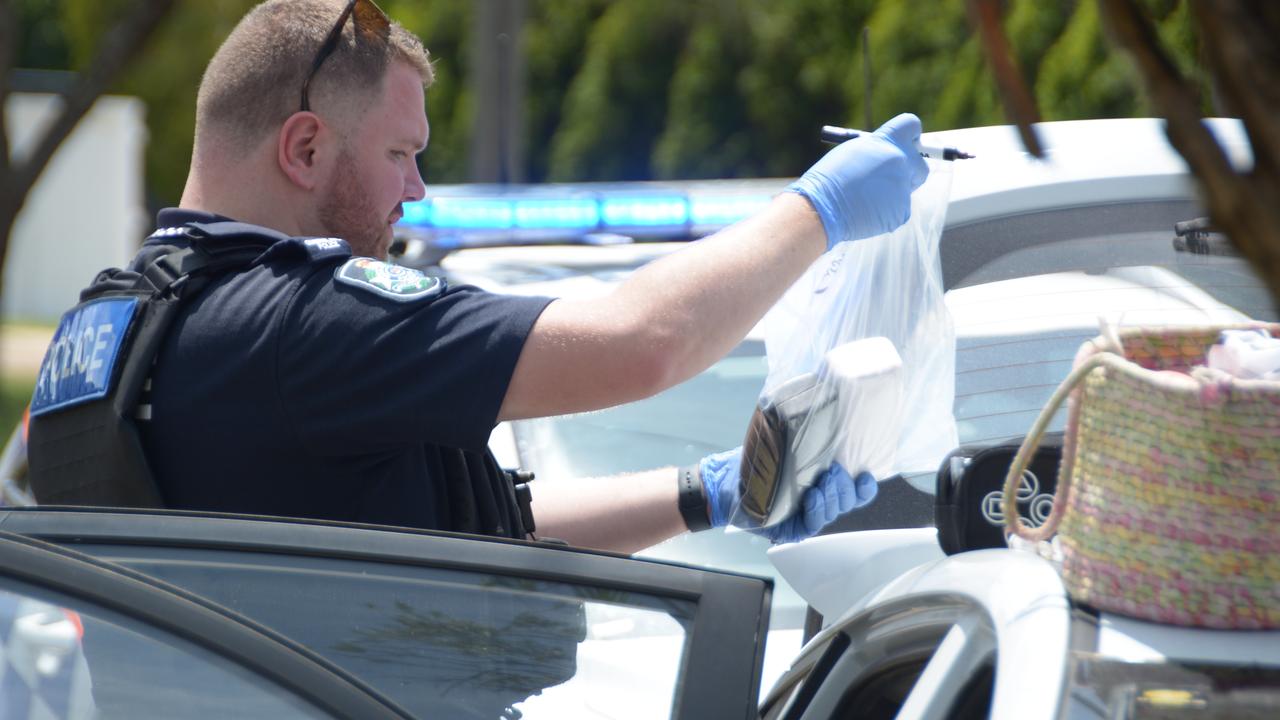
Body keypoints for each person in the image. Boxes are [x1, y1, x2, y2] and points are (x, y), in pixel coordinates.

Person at [29, 0, 928, 554]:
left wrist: (708, 495)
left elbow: (473, 533)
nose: (416, 189)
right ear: (304, 147)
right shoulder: (301, 325)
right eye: (401, 153)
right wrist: (820, 211)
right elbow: (641, 344)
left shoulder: (101, 334)